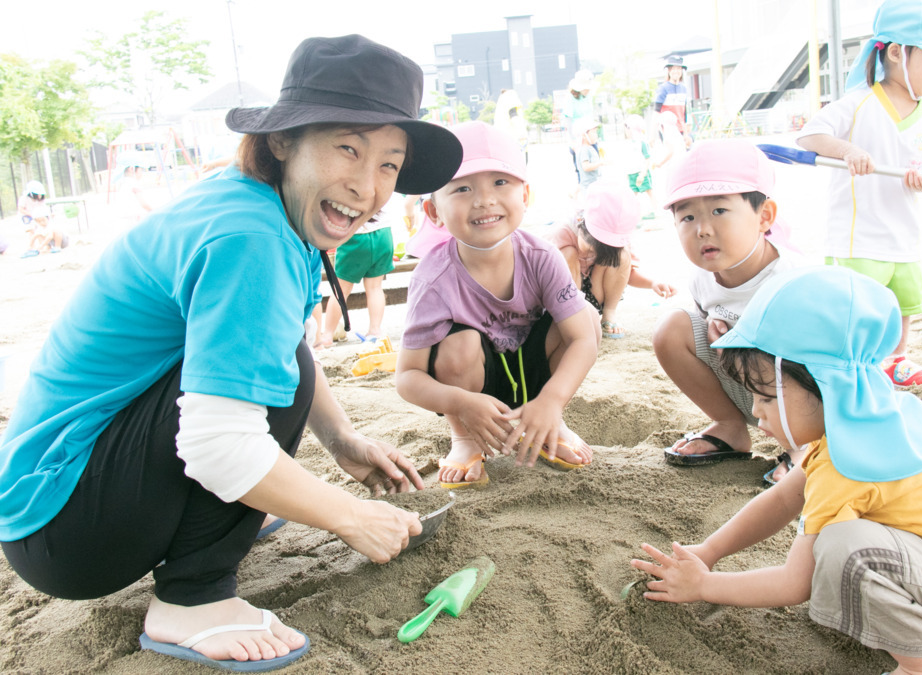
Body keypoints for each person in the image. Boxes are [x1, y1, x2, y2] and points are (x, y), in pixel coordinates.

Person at [0, 34, 463, 672]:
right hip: (67, 525)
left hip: (55, 494)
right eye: (348, 148)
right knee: (254, 403)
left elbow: (284, 349)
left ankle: (215, 520)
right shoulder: (252, 237)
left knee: (280, 365)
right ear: (284, 141)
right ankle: (193, 598)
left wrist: (343, 440)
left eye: (389, 164)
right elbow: (217, 444)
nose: (366, 186)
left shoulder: (257, 198)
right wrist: (352, 517)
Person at [631, 266, 922, 675]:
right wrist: (708, 552)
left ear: (823, 384)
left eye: (766, 397)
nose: (756, 412)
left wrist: (704, 585)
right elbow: (782, 499)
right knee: (851, 542)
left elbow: (794, 583)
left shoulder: (846, 467)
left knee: (843, 547)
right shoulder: (872, 420)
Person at [395, 121, 599, 490]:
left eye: (500, 182)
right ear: (433, 211)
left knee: (586, 319)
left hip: (535, 378)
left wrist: (552, 401)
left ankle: (551, 421)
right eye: (462, 188)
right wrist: (458, 402)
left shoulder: (542, 257)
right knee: (459, 343)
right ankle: (465, 439)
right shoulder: (433, 280)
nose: (484, 200)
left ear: (526, 195)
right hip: (472, 389)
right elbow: (408, 377)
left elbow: (583, 340)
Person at [796, 0, 922, 387]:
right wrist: (847, 150)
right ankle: (853, 365)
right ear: (895, 52)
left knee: (903, 302)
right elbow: (809, 136)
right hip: (858, 237)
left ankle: (895, 360)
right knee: (858, 308)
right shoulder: (858, 104)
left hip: (904, 235)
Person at [652, 139, 801, 476]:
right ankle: (729, 425)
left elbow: (826, 369)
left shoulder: (791, 281)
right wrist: (724, 341)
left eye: (719, 210)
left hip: (808, 398)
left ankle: (805, 446)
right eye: (687, 216)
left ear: (764, 216)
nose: (702, 229)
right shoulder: (702, 279)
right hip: (751, 391)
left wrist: (743, 343)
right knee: (671, 330)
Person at [547, 179, 676, 340]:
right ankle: (572, 314)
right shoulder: (561, 233)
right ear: (581, 225)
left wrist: (652, 283)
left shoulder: (617, 242)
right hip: (566, 296)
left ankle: (609, 313)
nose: (591, 254)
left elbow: (626, 274)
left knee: (622, 255)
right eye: (591, 249)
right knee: (568, 254)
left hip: (595, 294)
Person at [319, 192, 402, 345]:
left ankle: (327, 335)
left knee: (341, 291)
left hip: (356, 236)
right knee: (375, 287)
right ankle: (375, 330)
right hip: (383, 233)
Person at [613, 114, 660, 220]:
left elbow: (647, 158)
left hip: (641, 172)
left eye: (627, 128)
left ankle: (655, 211)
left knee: (649, 191)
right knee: (632, 194)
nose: (626, 131)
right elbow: (629, 159)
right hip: (632, 173)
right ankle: (632, 214)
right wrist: (627, 173)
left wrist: (643, 173)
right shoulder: (628, 143)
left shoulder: (642, 142)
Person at [562, 70, 596, 182]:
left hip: (590, 136)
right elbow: (568, 121)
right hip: (578, 137)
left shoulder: (589, 96)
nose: (588, 90)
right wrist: (573, 141)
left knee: (594, 165)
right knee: (581, 168)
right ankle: (582, 188)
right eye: (585, 88)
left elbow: (590, 115)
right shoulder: (570, 98)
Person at [653, 57, 693, 151]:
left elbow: (683, 114)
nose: (676, 71)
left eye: (678, 68)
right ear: (669, 71)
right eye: (673, 68)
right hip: (667, 130)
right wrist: (652, 135)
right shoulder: (663, 88)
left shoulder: (683, 89)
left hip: (680, 130)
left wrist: (686, 133)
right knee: (671, 154)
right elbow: (656, 112)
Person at [576, 117, 604, 199]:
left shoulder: (590, 148)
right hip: (589, 189)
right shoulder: (584, 149)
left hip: (594, 187)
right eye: (593, 132)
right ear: (584, 135)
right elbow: (586, 167)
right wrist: (601, 163)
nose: (596, 135)